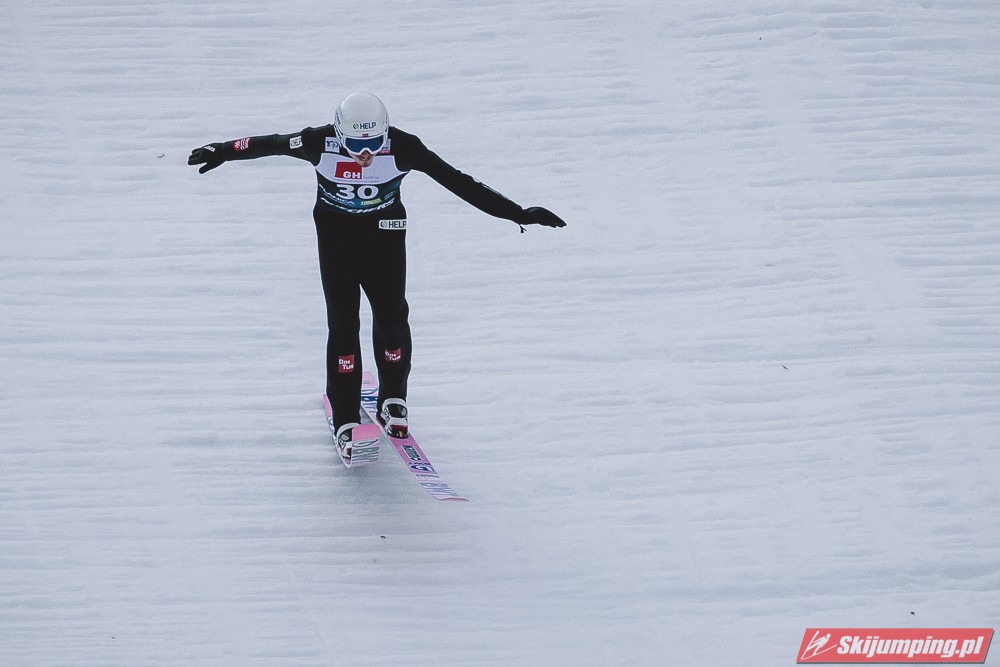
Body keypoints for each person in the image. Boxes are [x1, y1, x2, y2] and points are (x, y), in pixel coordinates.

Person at [188, 92, 566, 451]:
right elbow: (270, 143)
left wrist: (518, 213)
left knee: (391, 319)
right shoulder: (318, 142)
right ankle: (345, 417)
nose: (365, 155)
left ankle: (394, 398)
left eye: (373, 144)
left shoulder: (403, 146)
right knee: (343, 324)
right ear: (340, 135)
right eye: (355, 146)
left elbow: (459, 182)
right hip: (336, 241)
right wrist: (223, 150)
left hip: (385, 237)